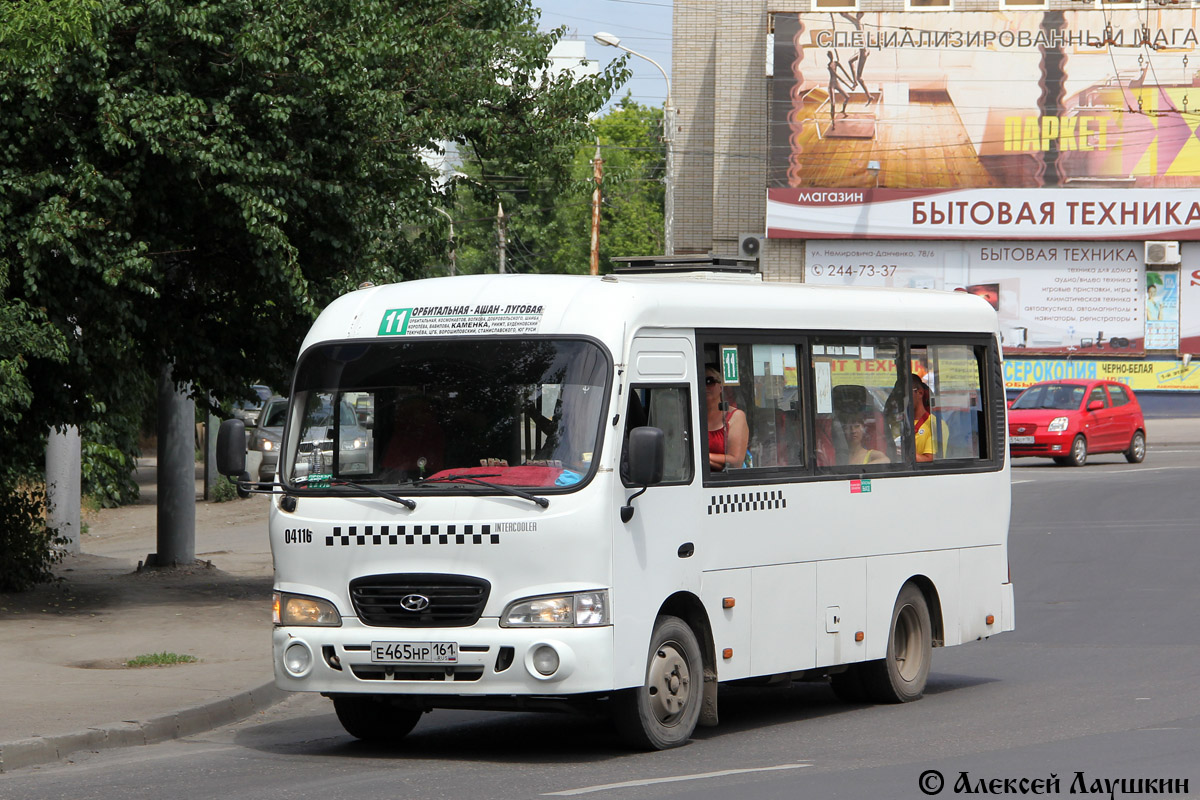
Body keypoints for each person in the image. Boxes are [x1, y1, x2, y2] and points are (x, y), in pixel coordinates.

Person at [705, 365, 748, 471]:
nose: (704, 386)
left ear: (721, 387)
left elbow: (736, 460)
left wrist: (702, 457)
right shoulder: (687, 415)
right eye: (698, 381)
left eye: (709, 381)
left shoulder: (735, 416)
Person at [911, 374, 949, 463]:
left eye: (906, 393)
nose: (901, 398)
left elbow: (930, 460)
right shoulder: (900, 422)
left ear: (920, 393)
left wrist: (902, 455)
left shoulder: (935, 424)